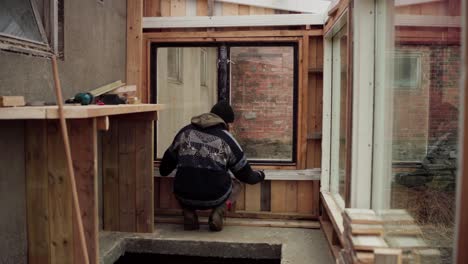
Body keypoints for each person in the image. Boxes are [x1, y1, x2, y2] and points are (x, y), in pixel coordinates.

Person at [159, 101, 265, 231]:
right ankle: (218, 212)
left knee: (182, 177)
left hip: (184, 196)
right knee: (236, 183)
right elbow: (246, 176)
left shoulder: (185, 132)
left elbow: (164, 170)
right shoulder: (227, 139)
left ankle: (189, 213)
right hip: (215, 197)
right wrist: (260, 175)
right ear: (226, 123)